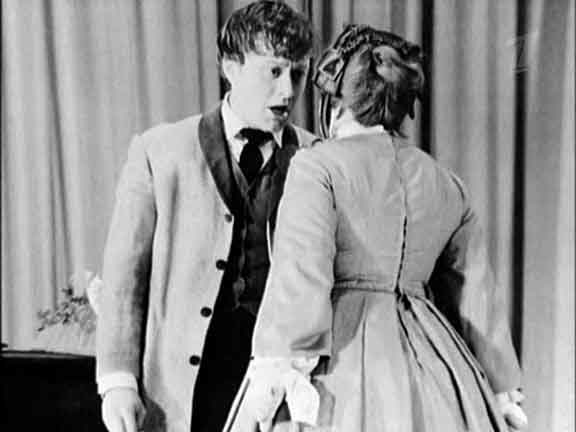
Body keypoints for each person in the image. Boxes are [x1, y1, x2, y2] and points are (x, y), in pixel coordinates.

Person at [225, 24, 528, 432]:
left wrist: (278, 368)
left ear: (336, 104)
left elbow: (302, 277)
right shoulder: (447, 184)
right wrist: (501, 387)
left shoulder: (318, 166)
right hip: (436, 367)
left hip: (341, 360)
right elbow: (477, 297)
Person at [95, 2, 316, 431]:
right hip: (181, 393)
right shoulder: (159, 152)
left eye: (298, 73)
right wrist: (118, 382)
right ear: (231, 67)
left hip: (273, 394)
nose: (288, 90)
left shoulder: (317, 158)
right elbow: (125, 278)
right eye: (273, 71)